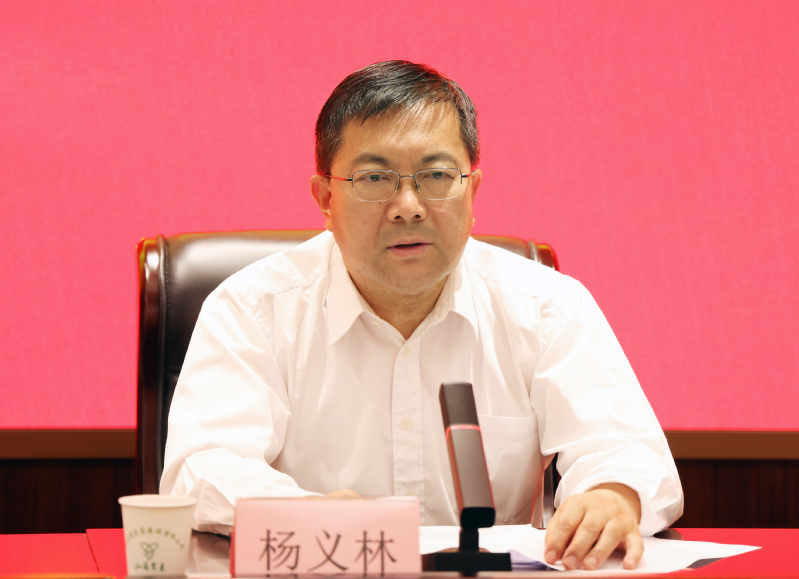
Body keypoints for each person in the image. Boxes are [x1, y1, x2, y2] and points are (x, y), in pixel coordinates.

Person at [161, 60, 683, 570]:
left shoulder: (548, 308)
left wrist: (612, 495)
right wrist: (305, 513)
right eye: (374, 177)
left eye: (436, 175)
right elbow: (202, 467)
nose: (408, 205)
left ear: (472, 191)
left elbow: (623, 448)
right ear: (325, 198)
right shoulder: (252, 310)